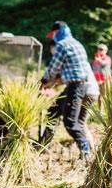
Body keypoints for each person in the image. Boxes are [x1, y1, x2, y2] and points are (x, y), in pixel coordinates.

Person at [39, 21, 95, 159]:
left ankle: (86, 150)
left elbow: (53, 67)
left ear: (58, 32)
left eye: (53, 35)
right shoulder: (76, 43)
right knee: (53, 111)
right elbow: (69, 70)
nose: (52, 39)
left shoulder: (62, 44)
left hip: (77, 87)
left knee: (70, 122)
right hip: (76, 84)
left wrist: (44, 81)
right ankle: (43, 145)